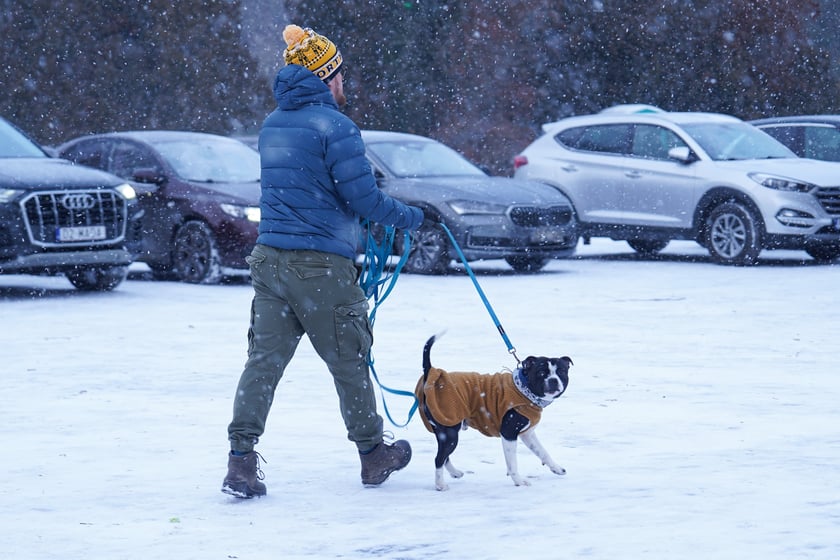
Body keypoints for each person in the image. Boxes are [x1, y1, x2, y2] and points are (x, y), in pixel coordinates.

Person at [222, 24, 424, 498]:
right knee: (349, 362)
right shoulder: (336, 126)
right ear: (327, 76)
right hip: (321, 266)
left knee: (263, 363)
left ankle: (240, 463)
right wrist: (411, 217)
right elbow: (365, 200)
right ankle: (374, 455)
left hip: (269, 260)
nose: (344, 83)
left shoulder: (273, 123)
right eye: (340, 74)